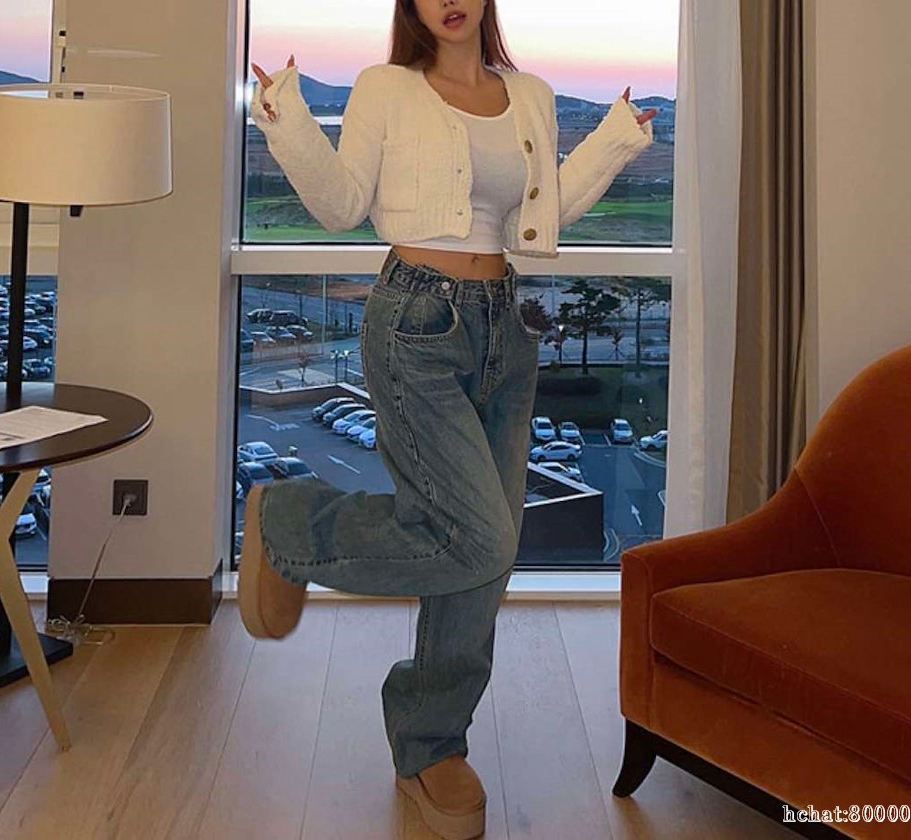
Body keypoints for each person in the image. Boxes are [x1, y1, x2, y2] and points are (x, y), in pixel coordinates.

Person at [240, 1, 656, 837]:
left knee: (484, 558)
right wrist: (286, 118)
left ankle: (431, 744)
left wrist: (615, 140)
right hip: (415, 324)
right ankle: (290, 523)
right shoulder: (385, 87)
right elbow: (341, 204)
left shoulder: (530, 95)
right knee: (483, 536)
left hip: (507, 328)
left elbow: (544, 212)